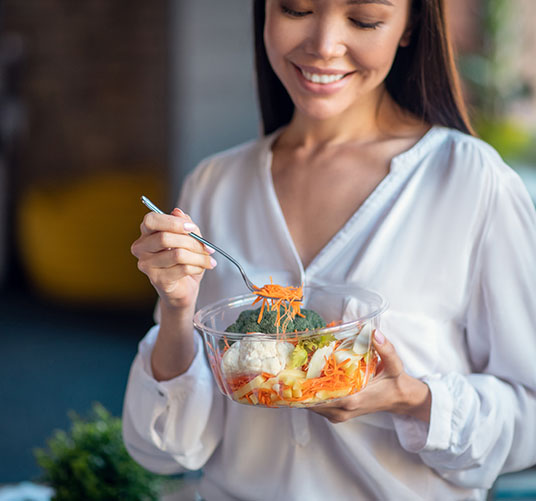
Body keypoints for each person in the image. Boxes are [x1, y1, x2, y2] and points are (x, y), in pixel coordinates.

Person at [123, 0, 536, 499]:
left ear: (409, 29)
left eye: (364, 20)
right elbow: (164, 452)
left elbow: (528, 415)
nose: (322, 46)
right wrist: (177, 308)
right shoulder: (214, 185)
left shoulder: (472, 181)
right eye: (297, 10)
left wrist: (414, 400)